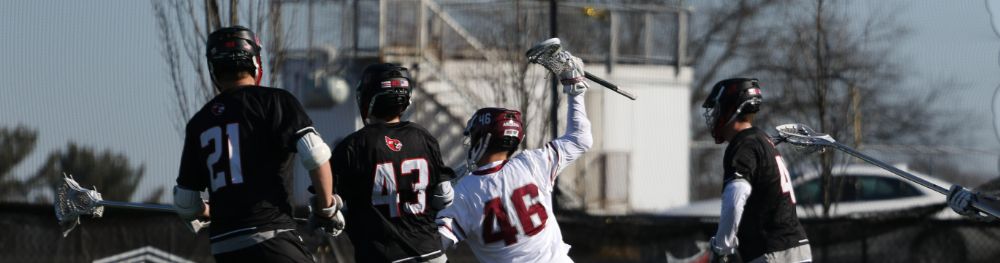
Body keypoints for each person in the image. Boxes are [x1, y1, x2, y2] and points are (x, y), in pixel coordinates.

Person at [172, 25, 344, 263]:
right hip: (271, 238)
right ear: (255, 61)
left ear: (214, 67)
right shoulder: (276, 101)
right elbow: (316, 155)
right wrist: (327, 208)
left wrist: (212, 210)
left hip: (225, 248)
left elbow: (186, 204)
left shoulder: (199, 122)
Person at [435, 51, 592, 263]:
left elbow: (435, 247)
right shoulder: (533, 164)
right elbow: (580, 139)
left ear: (482, 140)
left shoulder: (464, 193)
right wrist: (575, 89)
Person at [330, 63, 455, 263]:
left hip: (383, 256)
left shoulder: (353, 146)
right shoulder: (423, 137)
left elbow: (328, 202)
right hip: (431, 254)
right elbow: (444, 198)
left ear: (368, 98)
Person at [701, 78, 812, 263]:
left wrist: (721, 247)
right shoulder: (762, 139)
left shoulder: (744, 144)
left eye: (717, 108)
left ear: (731, 108)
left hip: (773, 252)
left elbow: (735, 196)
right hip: (794, 248)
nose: (713, 115)